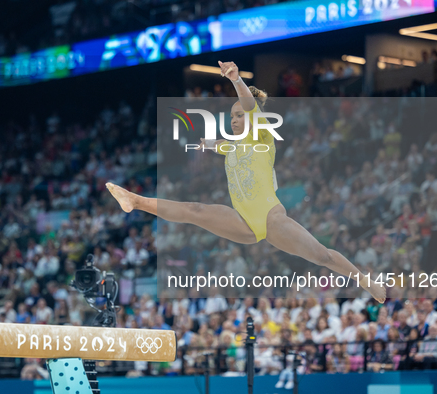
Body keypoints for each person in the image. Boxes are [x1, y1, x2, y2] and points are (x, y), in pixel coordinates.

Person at [106, 60, 386, 303]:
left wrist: (236, 79)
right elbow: (226, 145)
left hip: (271, 219)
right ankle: (135, 200)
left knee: (321, 257)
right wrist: (210, 143)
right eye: (232, 117)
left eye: (240, 115)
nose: (235, 120)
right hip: (243, 222)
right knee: (196, 211)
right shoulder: (234, 145)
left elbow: (250, 107)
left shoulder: (263, 136)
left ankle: (364, 280)